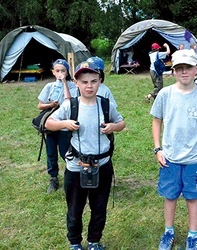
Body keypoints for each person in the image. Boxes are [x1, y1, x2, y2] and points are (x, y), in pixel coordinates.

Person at [46, 61, 125, 250]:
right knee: (75, 208)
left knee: (99, 208)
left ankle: (94, 241)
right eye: (84, 82)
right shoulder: (70, 105)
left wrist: (113, 127)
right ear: (76, 83)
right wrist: (65, 124)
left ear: (100, 82)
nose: (89, 86)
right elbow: (49, 123)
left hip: (102, 165)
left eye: (94, 81)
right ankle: (75, 243)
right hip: (76, 166)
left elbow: (121, 123)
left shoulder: (105, 105)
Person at [151, 49, 197, 250]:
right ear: (173, 71)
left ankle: (193, 235)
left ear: (196, 69)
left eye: (188, 68)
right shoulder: (165, 94)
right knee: (170, 196)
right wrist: (158, 149)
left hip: (195, 159)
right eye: (179, 68)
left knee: (193, 198)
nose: (184, 72)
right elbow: (157, 122)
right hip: (170, 158)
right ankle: (168, 231)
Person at [37, 59, 79, 193]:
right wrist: (50, 105)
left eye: (63, 71)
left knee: (65, 152)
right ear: (53, 72)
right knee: (51, 152)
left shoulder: (72, 86)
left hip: (65, 124)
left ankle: (71, 174)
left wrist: (65, 83)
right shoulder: (49, 86)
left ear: (67, 72)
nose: (60, 73)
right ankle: (53, 178)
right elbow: (40, 105)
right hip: (50, 124)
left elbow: (69, 100)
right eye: (58, 71)